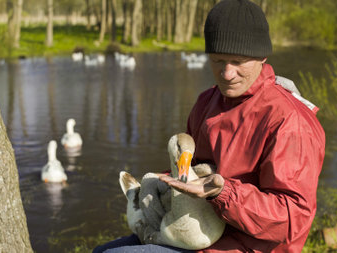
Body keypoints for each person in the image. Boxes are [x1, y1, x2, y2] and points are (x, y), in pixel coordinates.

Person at [94, 0, 325, 252]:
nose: (226, 73)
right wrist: (162, 187)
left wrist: (223, 193)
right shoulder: (208, 101)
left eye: (237, 61)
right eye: (217, 60)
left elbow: (292, 219)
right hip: (197, 228)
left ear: (262, 56)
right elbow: (186, 169)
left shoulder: (289, 121)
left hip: (251, 245)